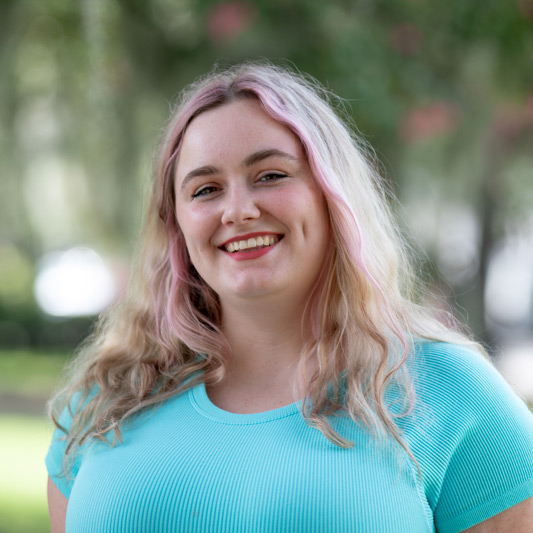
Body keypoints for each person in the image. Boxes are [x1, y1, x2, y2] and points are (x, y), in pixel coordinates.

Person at [46, 62, 533, 533]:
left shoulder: (449, 392)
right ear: (175, 225)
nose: (237, 210)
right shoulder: (108, 397)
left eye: (271, 175)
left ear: (332, 195)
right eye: (206, 189)